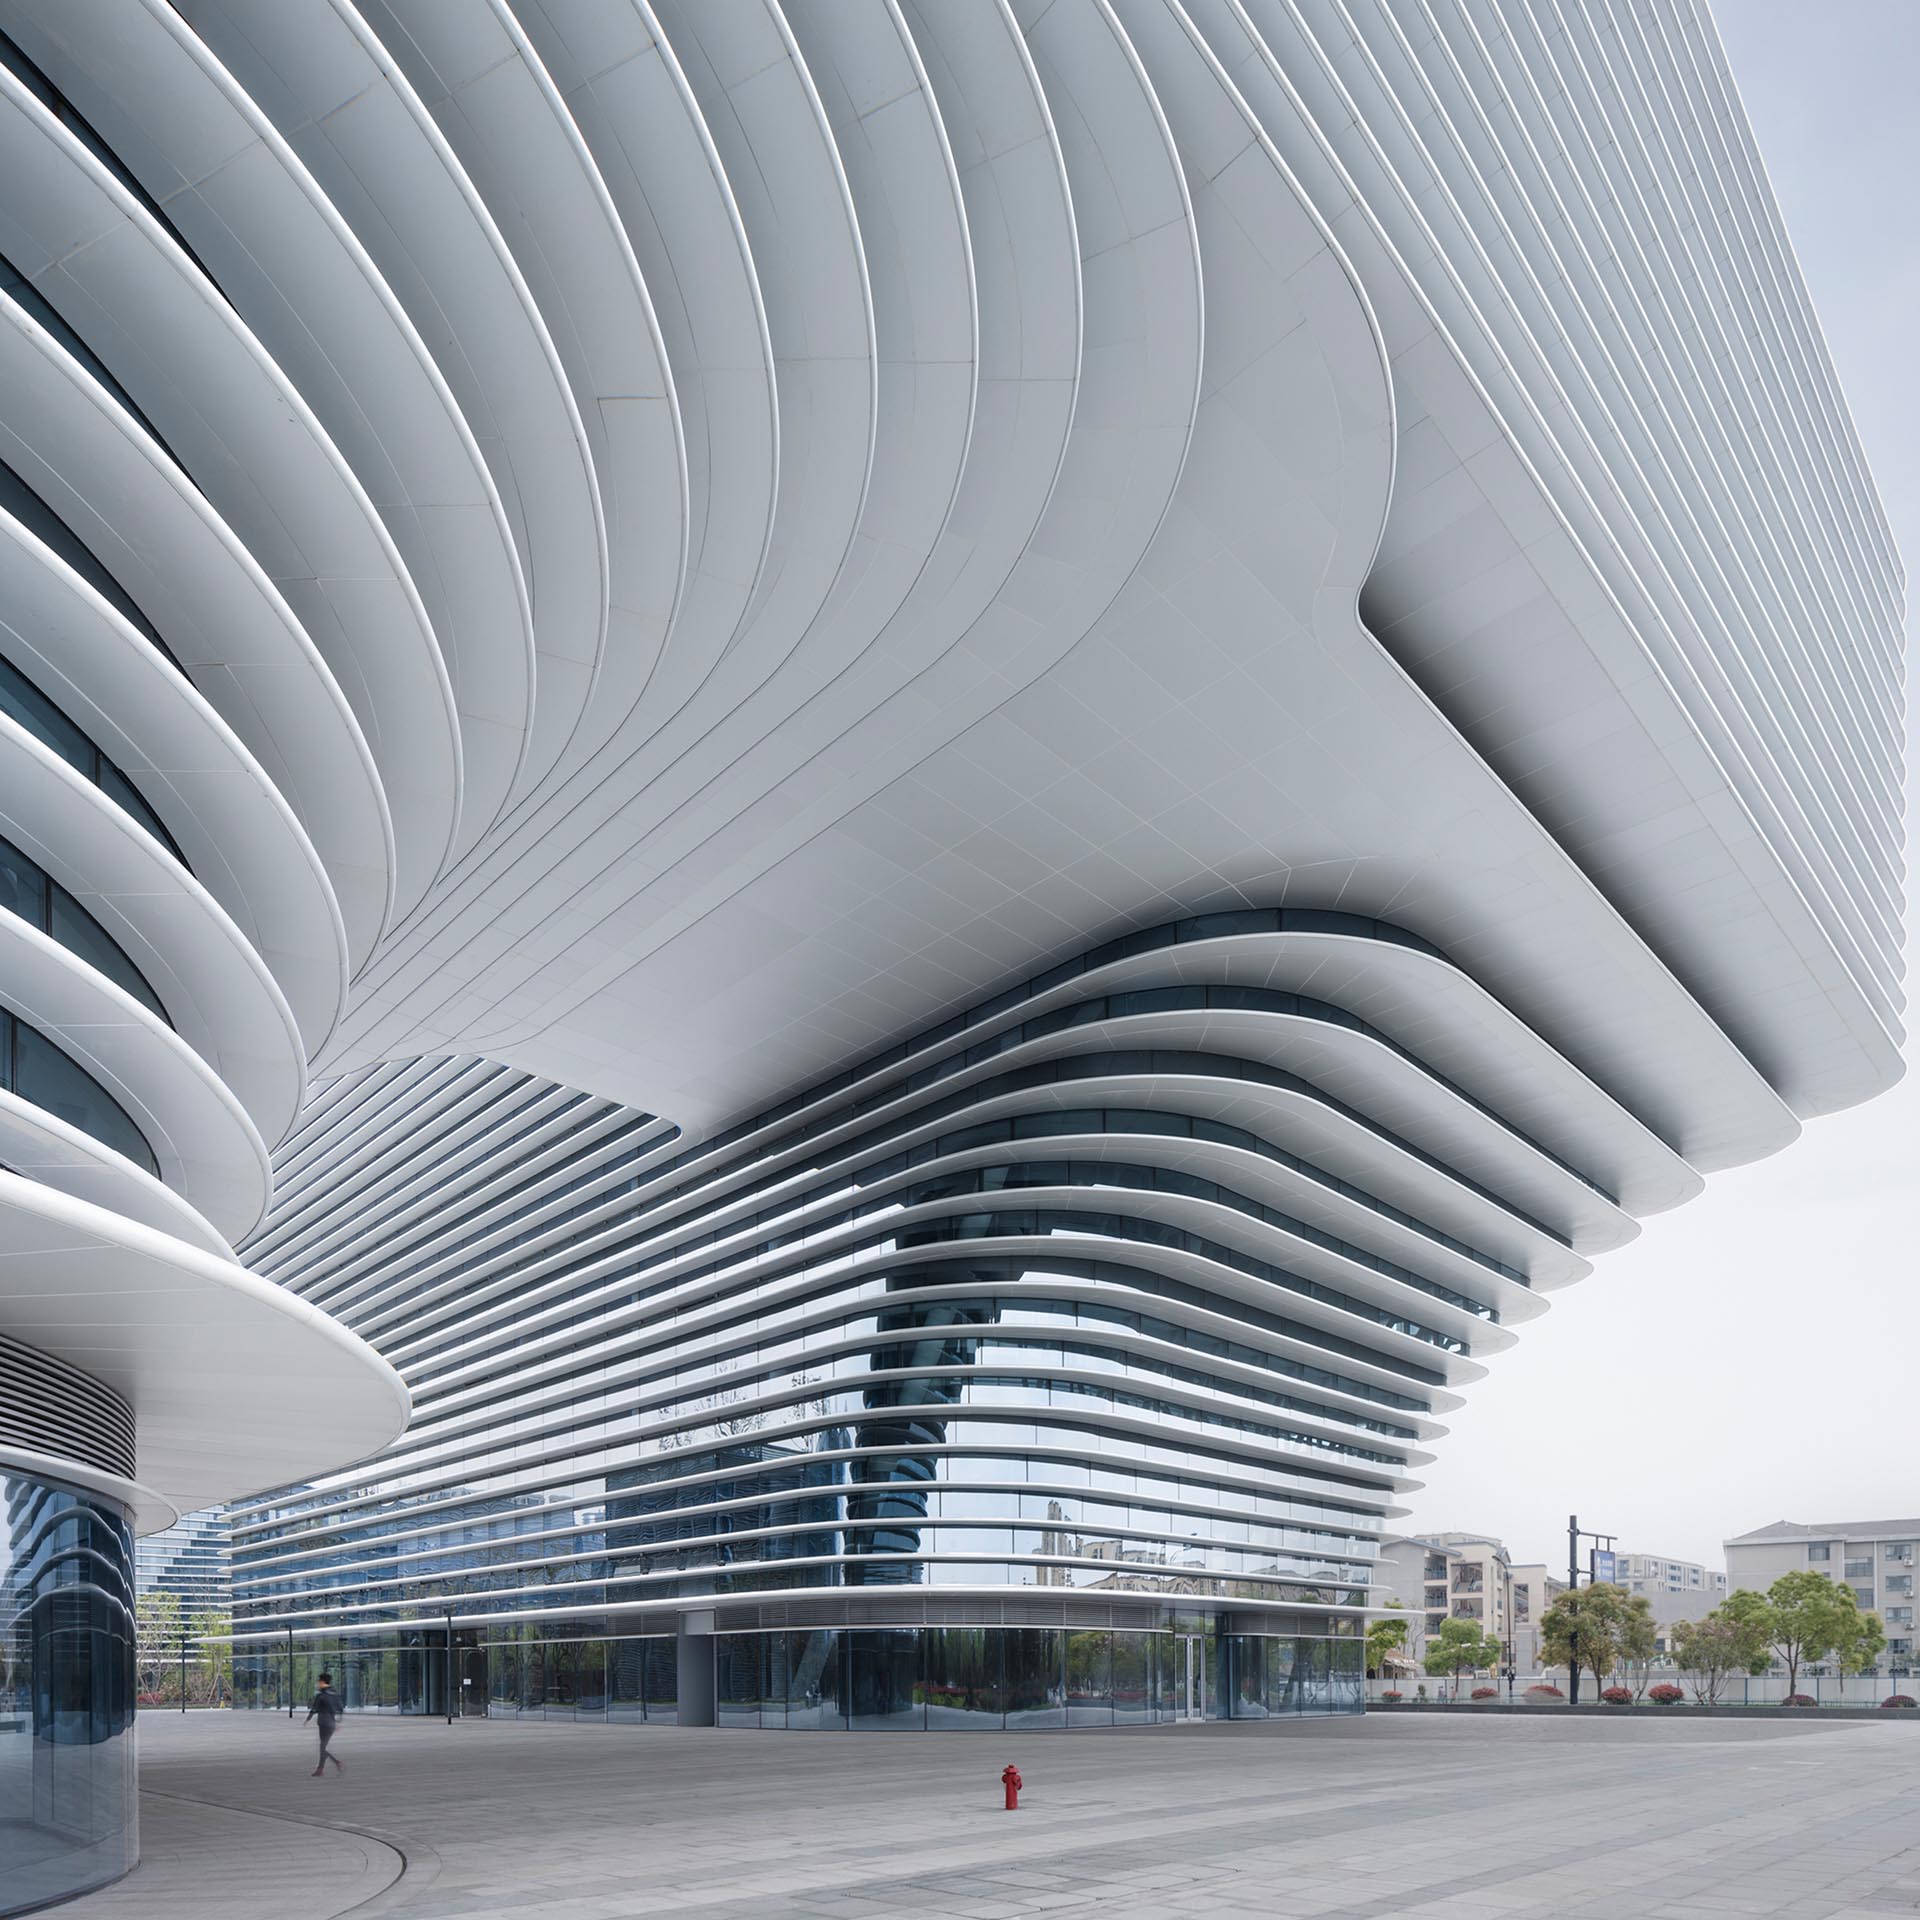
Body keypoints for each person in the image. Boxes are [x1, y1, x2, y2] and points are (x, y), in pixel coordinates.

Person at [305, 1672, 344, 1777]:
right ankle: (320, 1769)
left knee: (322, 1747)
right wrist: (337, 1722)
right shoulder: (335, 1694)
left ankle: (335, 1763)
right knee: (323, 1746)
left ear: (322, 1682)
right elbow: (340, 1708)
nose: (318, 1684)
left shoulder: (321, 1695)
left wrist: (307, 1719)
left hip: (323, 1723)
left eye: (319, 1682)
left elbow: (314, 1708)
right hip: (331, 1724)